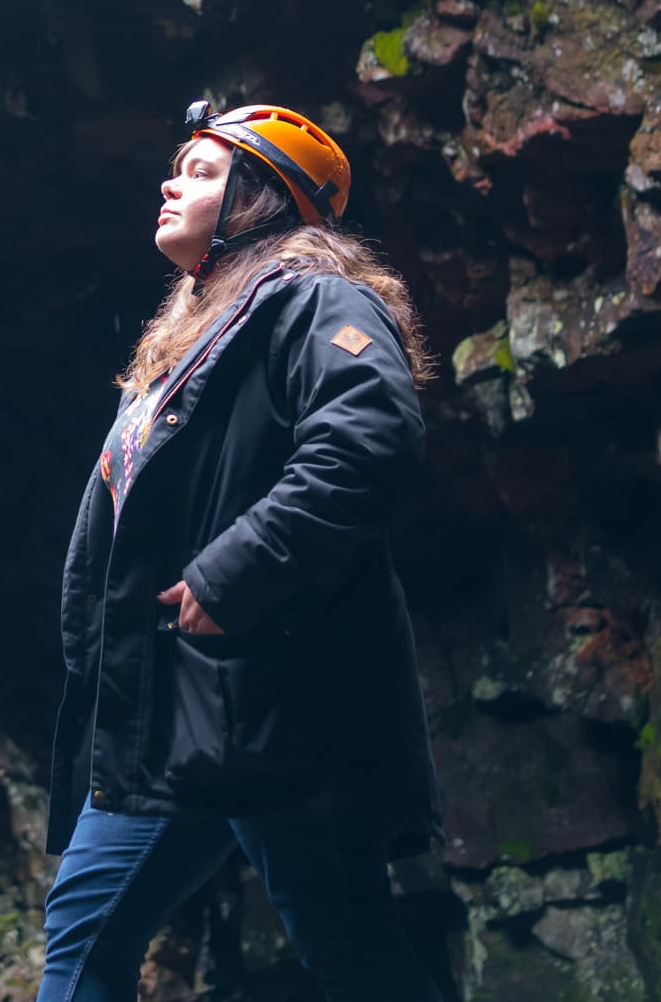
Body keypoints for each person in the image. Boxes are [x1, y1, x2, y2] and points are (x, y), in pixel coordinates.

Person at [39, 100, 443, 1002]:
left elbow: (367, 442)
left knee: (350, 947)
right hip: (172, 712)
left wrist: (233, 576)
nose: (169, 183)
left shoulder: (319, 300)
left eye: (202, 171)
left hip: (280, 701)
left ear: (258, 199)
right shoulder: (179, 348)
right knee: (84, 930)